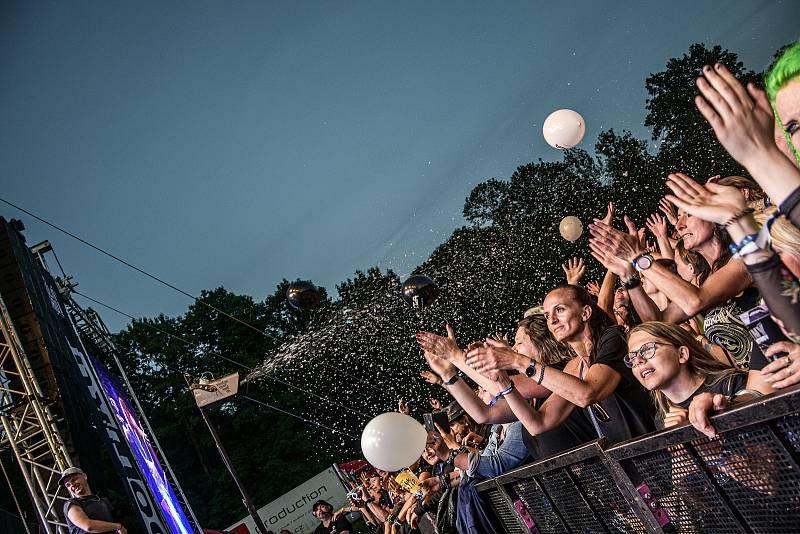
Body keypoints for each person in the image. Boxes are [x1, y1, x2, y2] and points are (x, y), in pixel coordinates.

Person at [466, 285, 655, 456]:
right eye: (548, 315)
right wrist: (502, 382)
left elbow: (588, 393)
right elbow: (538, 424)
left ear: (585, 313)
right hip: (628, 464)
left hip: (656, 449)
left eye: (560, 310)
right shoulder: (574, 366)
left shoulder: (612, 338)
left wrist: (518, 361)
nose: (553, 320)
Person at [626, 322, 752, 429]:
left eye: (647, 349)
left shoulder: (732, 383)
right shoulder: (663, 418)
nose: (637, 361)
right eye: (632, 357)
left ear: (682, 354)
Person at [60, 467, 126, 534]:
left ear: (84, 476)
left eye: (74, 480)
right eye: (68, 485)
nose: (72, 485)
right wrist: (118, 526)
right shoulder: (71, 504)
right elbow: (88, 526)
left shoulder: (102, 500)